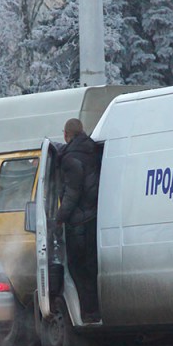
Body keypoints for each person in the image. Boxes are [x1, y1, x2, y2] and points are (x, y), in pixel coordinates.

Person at [56, 118, 101, 323]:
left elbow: (72, 193)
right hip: (95, 219)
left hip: (78, 224)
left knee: (78, 269)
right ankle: (95, 310)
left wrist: (58, 218)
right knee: (92, 268)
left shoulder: (70, 158)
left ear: (66, 135)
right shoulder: (94, 150)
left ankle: (88, 313)